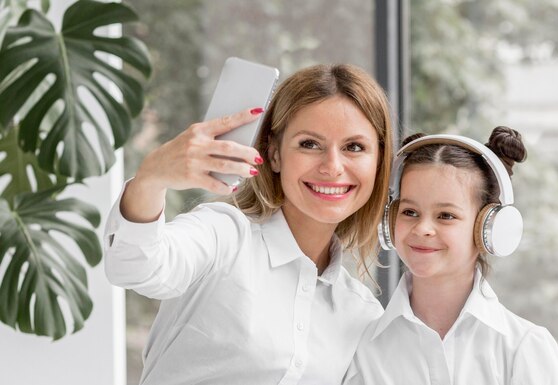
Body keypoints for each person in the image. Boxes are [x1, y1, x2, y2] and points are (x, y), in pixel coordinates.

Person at [103, 63, 393, 385]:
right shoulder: (224, 237)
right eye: (309, 144)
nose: (333, 167)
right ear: (274, 154)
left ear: (378, 162)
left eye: (354, 147)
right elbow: (134, 267)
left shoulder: (360, 312)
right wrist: (151, 179)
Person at [344, 127, 558, 385]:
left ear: (488, 228)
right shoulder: (364, 347)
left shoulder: (522, 348)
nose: (423, 229)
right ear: (390, 219)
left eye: (446, 216)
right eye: (409, 212)